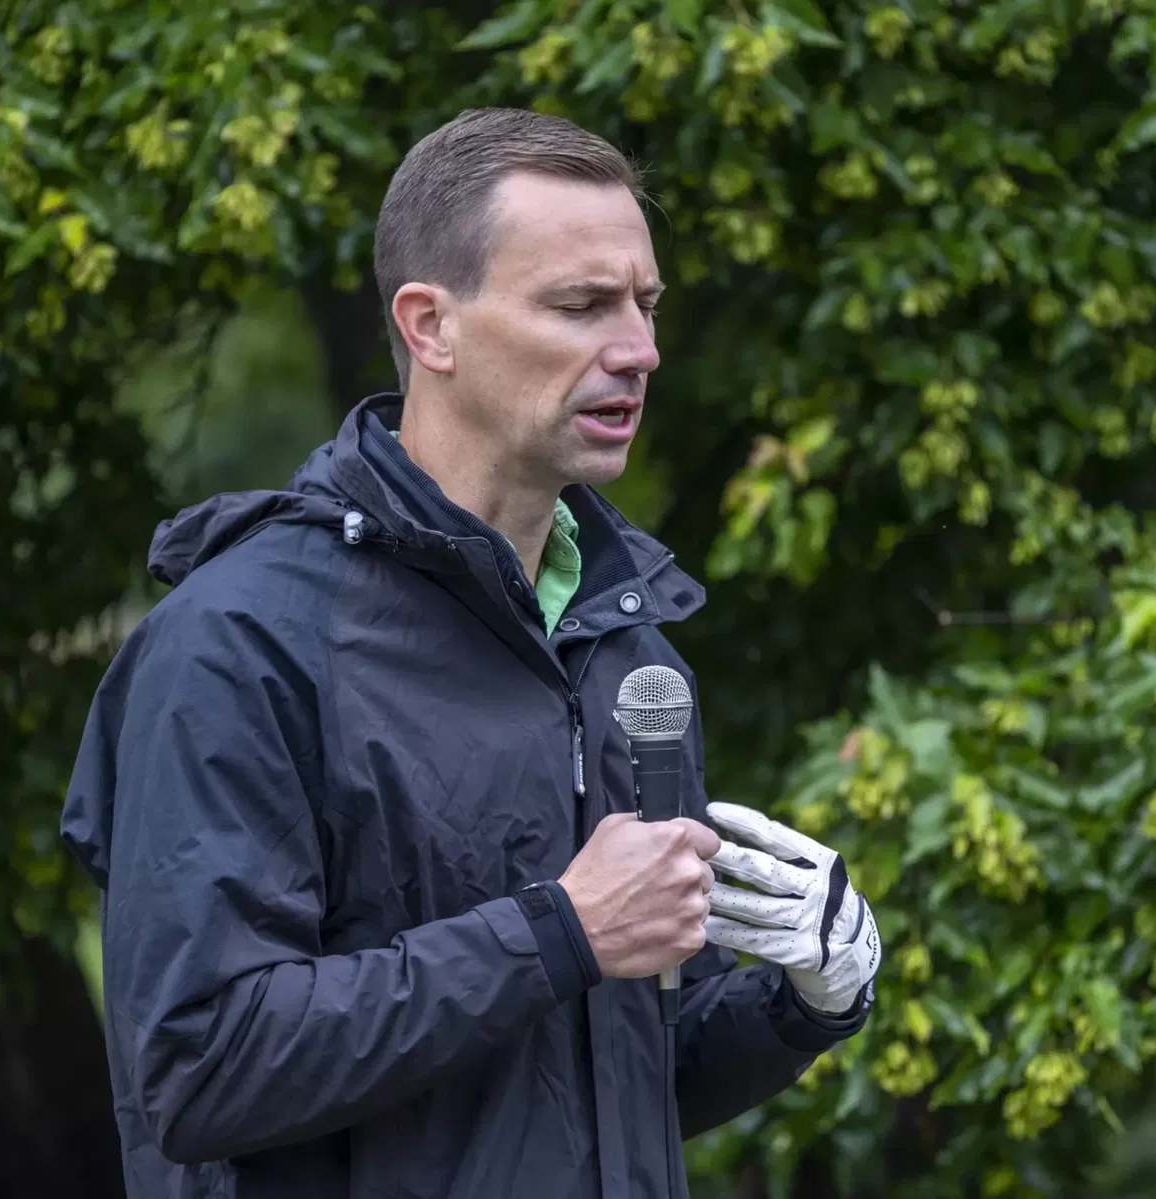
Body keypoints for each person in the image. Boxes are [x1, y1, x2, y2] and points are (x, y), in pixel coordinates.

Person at [60, 106, 882, 1199]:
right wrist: (560, 929)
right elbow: (201, 1066)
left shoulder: (620, 643)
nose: (637, 350)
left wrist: (804, 998)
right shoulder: (238, 642)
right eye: (580, 305)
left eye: (643, 305)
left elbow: (599, 1086)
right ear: (429, 326)